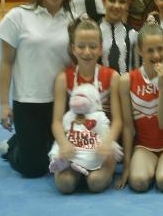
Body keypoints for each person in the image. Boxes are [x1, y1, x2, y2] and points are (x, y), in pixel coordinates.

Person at [0, 0, 73, 177]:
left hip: (61, 103)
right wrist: (3, 105)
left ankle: (27, 137)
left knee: (63, 158)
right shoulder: (18, 16)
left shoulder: (74, 19)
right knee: (33, 169)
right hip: (28, 102)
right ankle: (12, 146)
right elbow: (6, 62)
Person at [51, 17, 122, 193]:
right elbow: (57, 121)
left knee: (95, 183)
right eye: (81, 46)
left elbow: (119, 120)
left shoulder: (112, 77)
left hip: (100, 141)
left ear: (100, 49)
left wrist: (107, 143)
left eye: (92, 46)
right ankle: (75, 169)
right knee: (65, 185)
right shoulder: (63, 78)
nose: (87, 52)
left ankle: (98, 168)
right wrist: (63, 144)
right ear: (73, 49)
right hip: (74, 141)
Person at [116, 22, 163, 192]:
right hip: (144, 146)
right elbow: (127, 126)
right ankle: (153, 168)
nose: (156, 55)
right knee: (138, 183)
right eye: (150, 50)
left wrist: (162, 87)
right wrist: (127, 166)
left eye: (160, 49)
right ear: (139, 50)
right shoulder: (126, 80)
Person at [99, 0, 139, 75]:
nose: (116, 6)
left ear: (127, 4)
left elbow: (138, 71)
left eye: (122, 2)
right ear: (103, 1)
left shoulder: (133, 35)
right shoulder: (94, 32)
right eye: (112, 0)